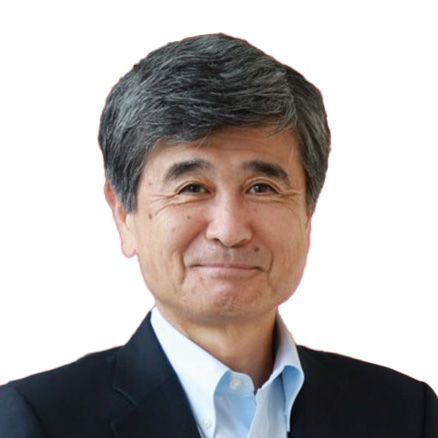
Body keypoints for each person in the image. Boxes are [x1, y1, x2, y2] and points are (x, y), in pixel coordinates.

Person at [0, 33, 436, 438]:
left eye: (262, 188)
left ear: (308, 213)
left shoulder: (405, 414)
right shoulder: (36, 421)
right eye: (192, 188)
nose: (229, 231)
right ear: (124, 215)